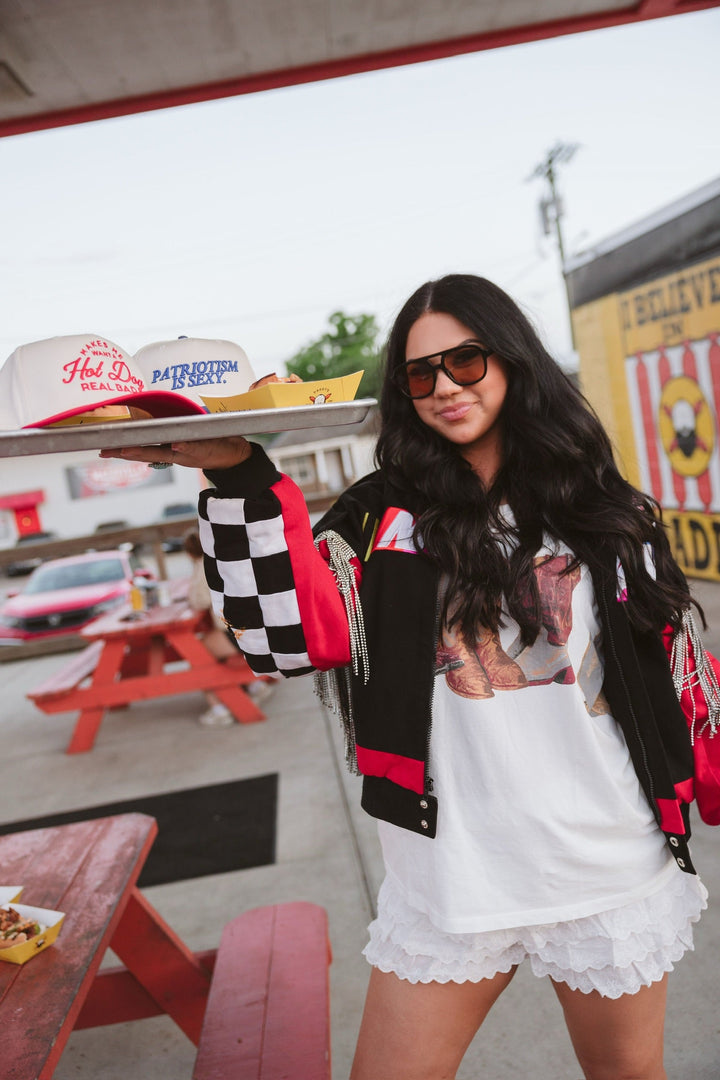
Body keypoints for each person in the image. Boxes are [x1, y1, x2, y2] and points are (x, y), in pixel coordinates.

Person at [100, 274, 710, 1080]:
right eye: (421, 374)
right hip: (450, 872)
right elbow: (283, 641)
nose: (445, 387)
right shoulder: (380, 517)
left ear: (514, 361)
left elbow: (672, 677)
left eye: (467, 361)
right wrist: (239, 471)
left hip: (604, 862)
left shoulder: (605, 511)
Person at [182, 529, 274, 725]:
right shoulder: (223, 559)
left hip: (237, 634)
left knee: (197, 656)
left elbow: (199, 601)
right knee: (206, 645)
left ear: (189, 554)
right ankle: (255, 685)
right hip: (255, 628)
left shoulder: (203, 566)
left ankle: (219, 708)